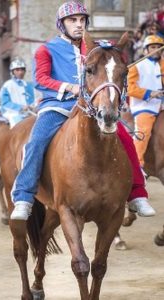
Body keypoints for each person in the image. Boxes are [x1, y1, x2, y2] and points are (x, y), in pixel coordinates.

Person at [10, 0, 156, 221]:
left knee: (125, 138)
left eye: (82, 20)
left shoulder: (96, 47)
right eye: (72, 20)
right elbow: (40, 79)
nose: (78, 25)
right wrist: (68, 86)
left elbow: (112, 67)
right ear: (62, 24)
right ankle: (24, 196)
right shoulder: (46, 49)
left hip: (93, 106)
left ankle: (136, 194)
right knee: (37, 141)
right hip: (58, 105)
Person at [128, 35, 164, 168]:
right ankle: (138, 166)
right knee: (143, 133)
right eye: (153, 47)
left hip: (161, 104)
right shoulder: (137, 66)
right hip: (144, 106)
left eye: (158, 48)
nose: (156, 50)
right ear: (145, 50)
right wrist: (150, 93)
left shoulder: (162, 64)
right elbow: (129, 88)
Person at [0, 57, 35, 128]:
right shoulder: (7, 85)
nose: (20, 72)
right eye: (17, 70)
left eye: (22, 70)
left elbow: (32, 100)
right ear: (12, 72)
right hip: (12, 113)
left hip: (28, 112)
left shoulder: (28, 85)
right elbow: (5, 103)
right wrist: (21, 107)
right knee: (19, 126)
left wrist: (32, 106)